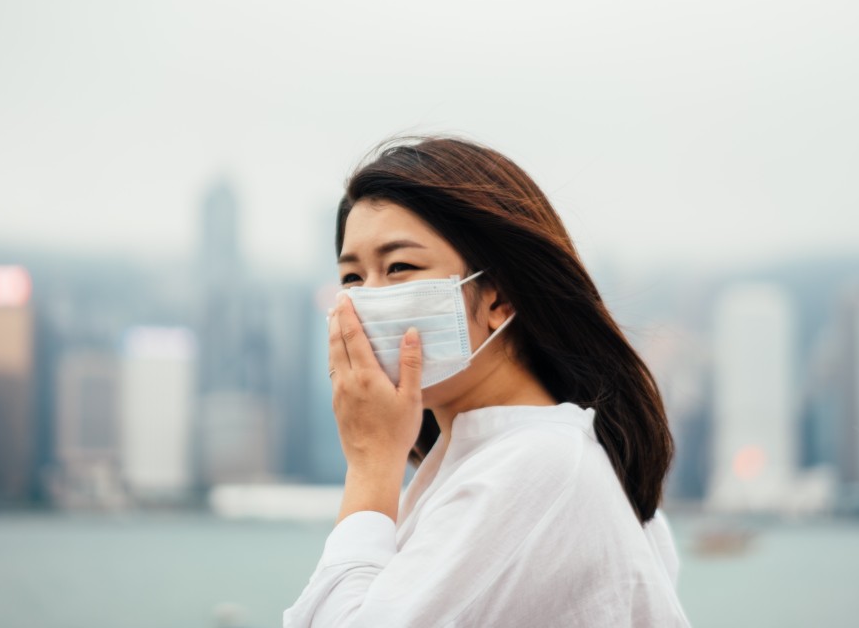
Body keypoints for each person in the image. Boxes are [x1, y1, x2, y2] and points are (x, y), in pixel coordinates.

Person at [283, 136, 690, 627]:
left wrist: (371, 466)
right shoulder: (498, 457)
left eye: (399, 268)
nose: (365, 302)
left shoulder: (538, 466)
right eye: (352, 278)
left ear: (500, 298)